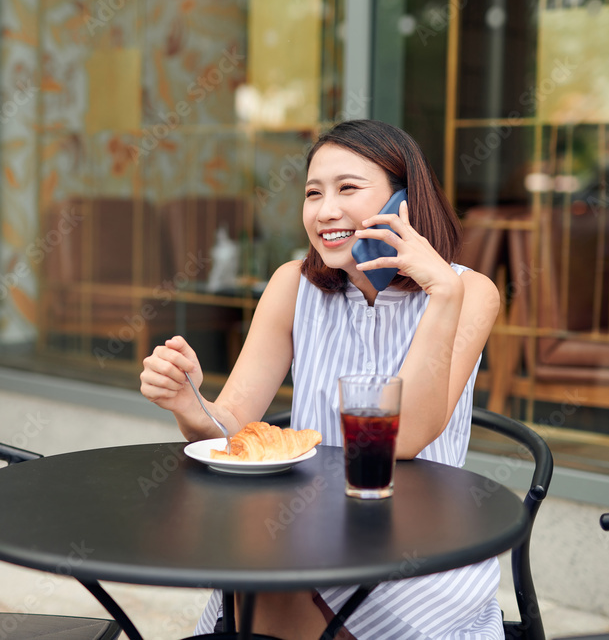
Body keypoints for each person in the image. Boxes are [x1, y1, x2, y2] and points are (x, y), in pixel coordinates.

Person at [140, 119, 502, 639]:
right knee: (261, 566)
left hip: (417, 553)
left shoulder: (469, 292)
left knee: (261, 576)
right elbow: (233, 425)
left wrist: (442, 292)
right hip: (302, 535)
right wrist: (189, 403)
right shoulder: (292, 285)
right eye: (313, 193)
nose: (325, 210)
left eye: (348, 189)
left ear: (404, 201)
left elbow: (406, 438)